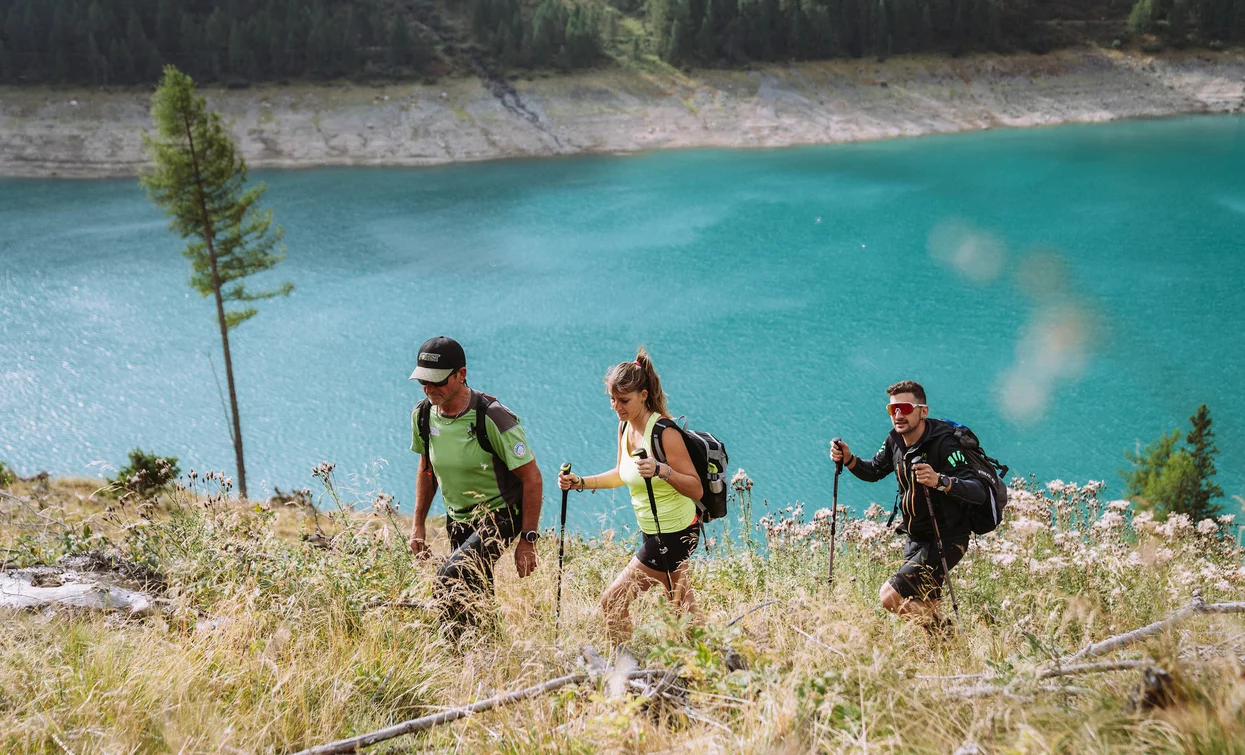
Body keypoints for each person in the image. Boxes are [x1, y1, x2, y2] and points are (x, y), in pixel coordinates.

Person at [558, 349, 703, 647]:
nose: (616, 407)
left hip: (675, 533)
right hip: (655, 530)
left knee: (612, 602)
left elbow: (695, 488)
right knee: (681, 609)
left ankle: (626, 671)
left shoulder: (664, 432)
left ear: (643, 395)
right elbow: (622, 473)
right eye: (612, 399)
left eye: (623, 400)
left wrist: (662, 470)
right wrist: (580, 482)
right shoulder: (624, 428)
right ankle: (712, 663)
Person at [829, 380, 990, 629]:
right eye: (892, 409)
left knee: (890, 596)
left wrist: (941, 480)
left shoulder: (944, 444)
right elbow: (873, 470)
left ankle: (947, 634)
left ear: (922, 411)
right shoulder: (895, 440)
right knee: (925, 604)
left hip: (946, 538)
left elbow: (978, 491)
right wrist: (849, 459)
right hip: (915, 538)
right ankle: (947, 654)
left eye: (904, 408)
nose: (898, 415)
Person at [407, 336, 543, 628]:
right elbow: (426, 470)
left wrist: (528, 539)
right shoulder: (423, 415)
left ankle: (458, 653)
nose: (429, 389)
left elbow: (532, 478)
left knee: (448, 577)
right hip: (458, 517)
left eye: (437, 381)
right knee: (472, 594)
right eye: (423, 382)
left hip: (501, 514)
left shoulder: (491, 416)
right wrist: (418, 524)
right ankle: (478, 660)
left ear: (461, 375)